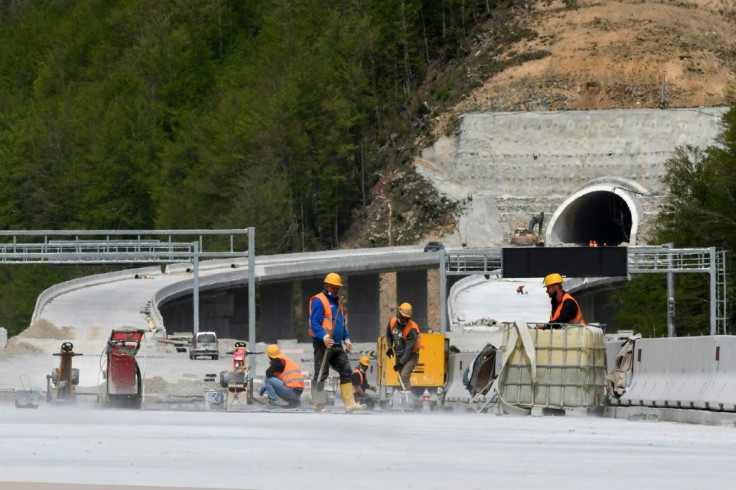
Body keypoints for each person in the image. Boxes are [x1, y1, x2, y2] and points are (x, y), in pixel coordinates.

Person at [308, 272, 364, 412]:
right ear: (326, 285)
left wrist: (346, 338)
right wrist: (324, 337)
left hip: (337, 344)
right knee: (321, 373)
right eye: (333, 287)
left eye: (337, 287)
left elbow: (341, 322)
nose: (335, 289)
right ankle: (318, 404)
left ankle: (350, 403)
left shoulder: (338, 301)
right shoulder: (319, 300)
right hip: (323, 343)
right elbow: (314, 323)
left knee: (346, 370)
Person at [385, 302, 422, 391]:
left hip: (411, 356)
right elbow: (389, 334)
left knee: (404, 377)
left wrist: (400, 363)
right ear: (398, 313)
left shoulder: (412, 329)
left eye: (407, 318)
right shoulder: (392, 322)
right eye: (403, 317)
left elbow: (408, 349)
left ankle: (407, 401)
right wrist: (390, 347)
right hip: (400, 354)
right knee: (400, 378)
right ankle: (403, 398)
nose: (404, 320)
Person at [259, 344, 304, 408]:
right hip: (297, 393)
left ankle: (273, 403)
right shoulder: (285, 360)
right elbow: (280, 381)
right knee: (272, 380)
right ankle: (294, 403)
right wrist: (266, 387)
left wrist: (266, 385)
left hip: (292, 392)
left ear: (270, 356)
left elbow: (268, 373)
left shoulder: (278, 361)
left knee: (268, 379)